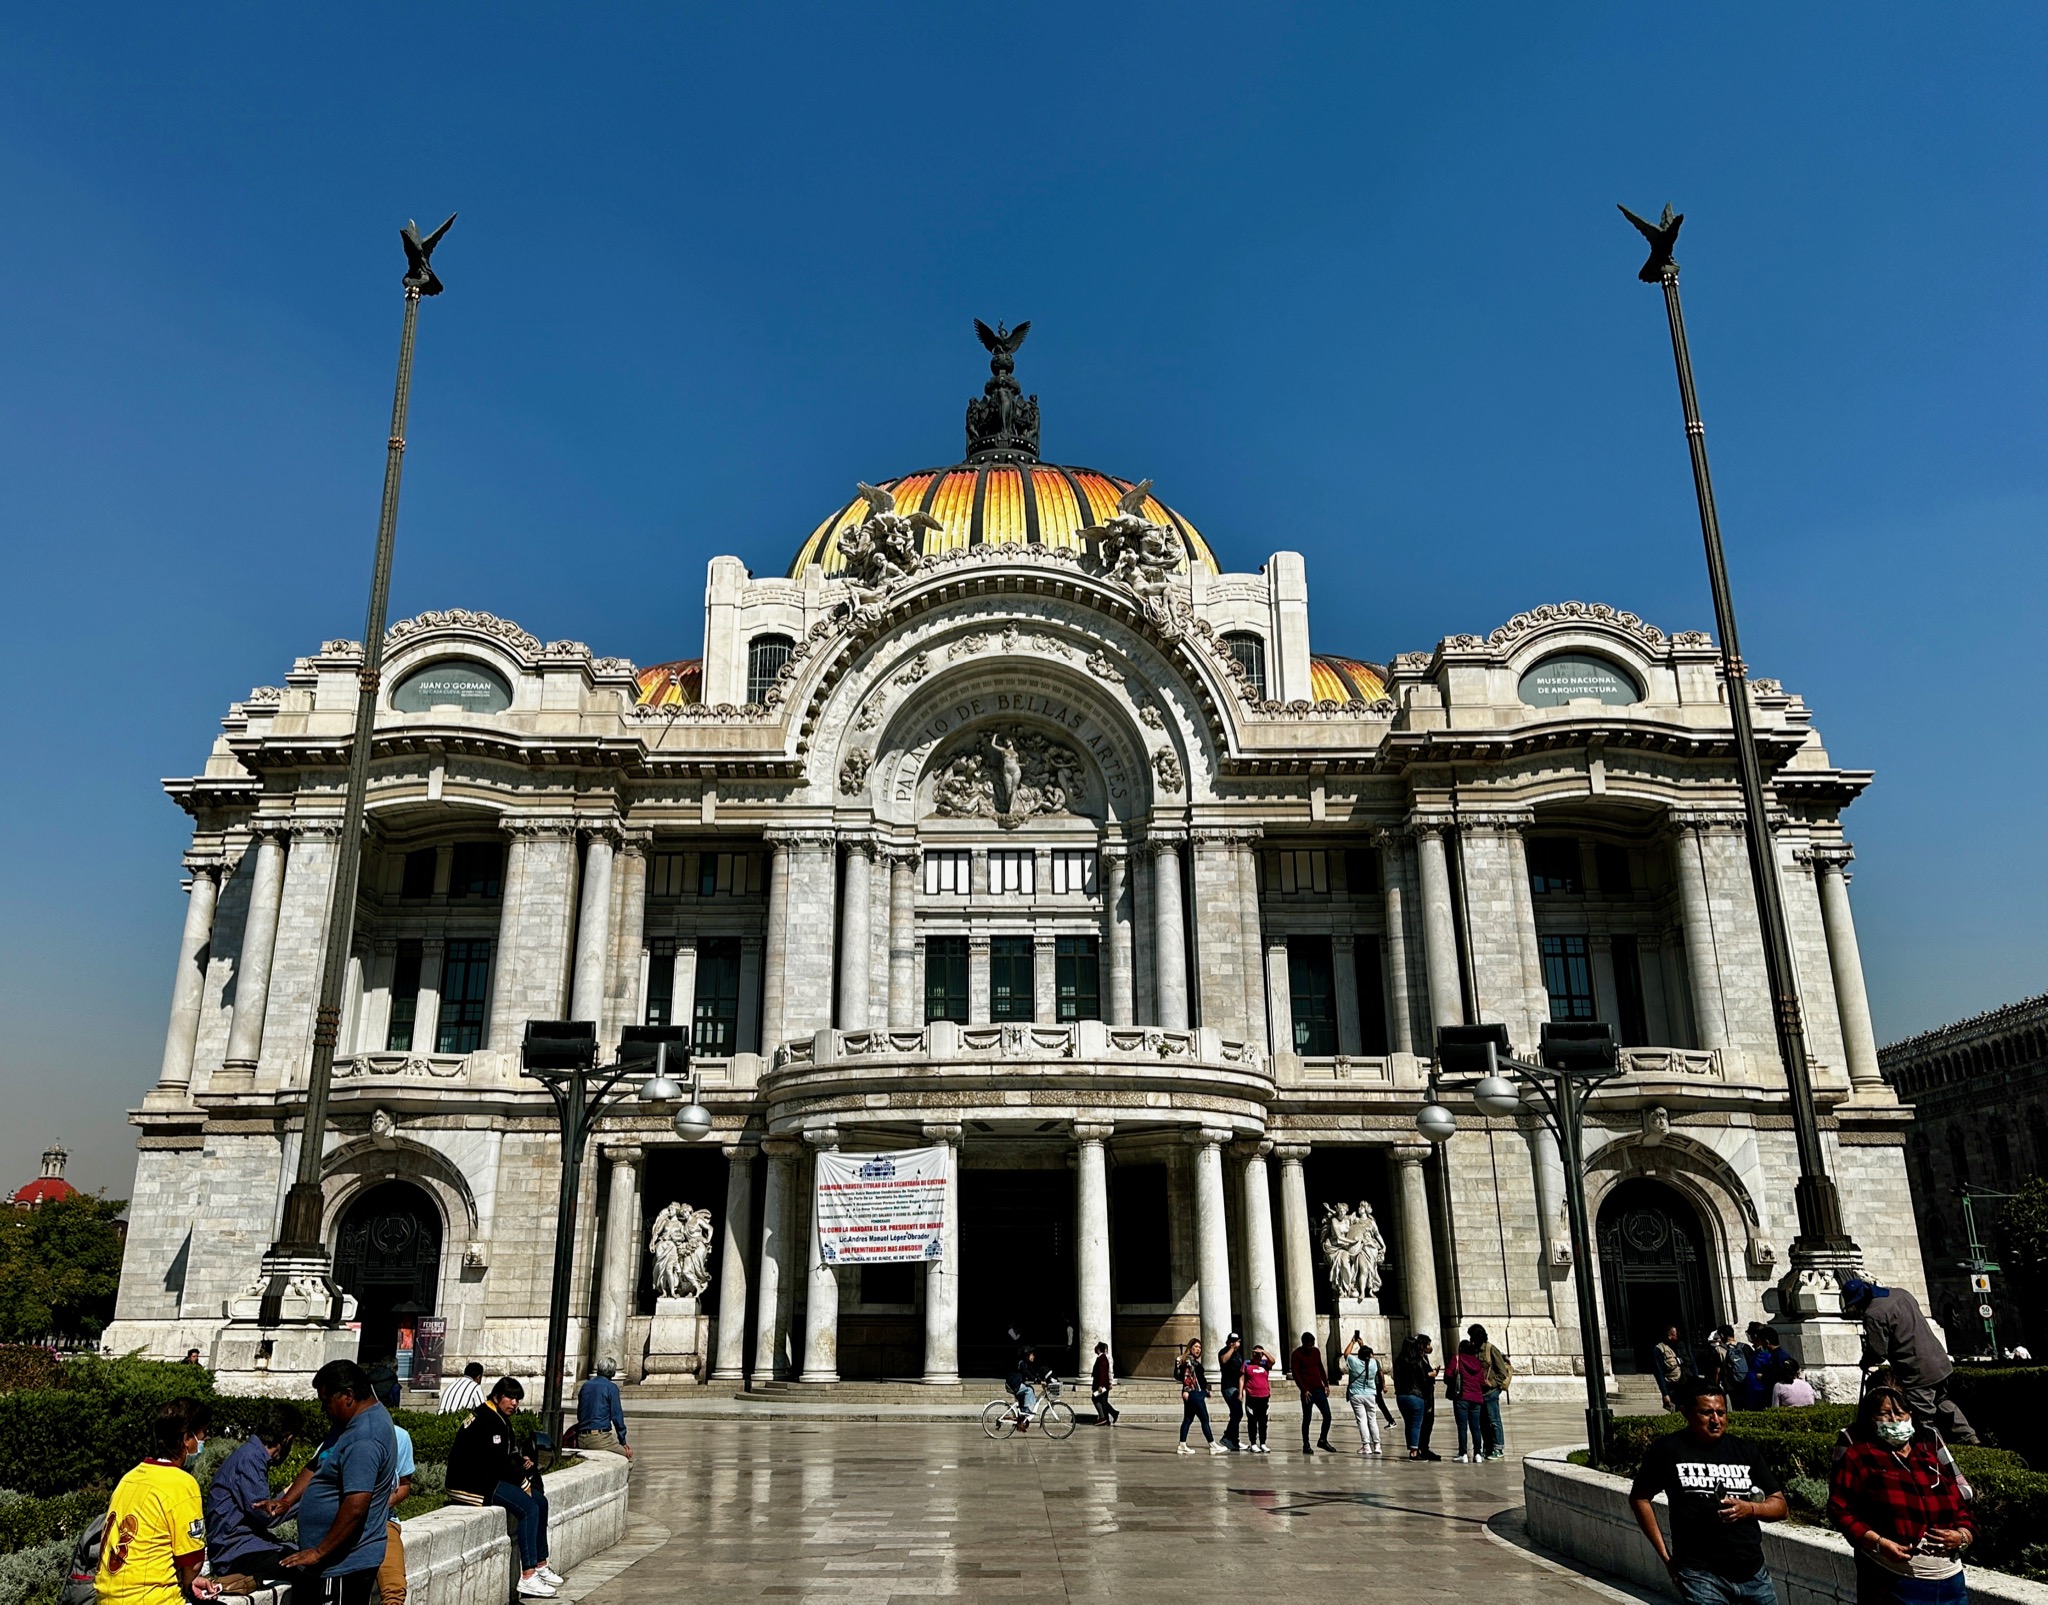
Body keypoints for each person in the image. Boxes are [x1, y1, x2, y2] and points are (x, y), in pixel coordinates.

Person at [1628, 1384, 1788, 1605]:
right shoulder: (1668, 1450)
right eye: (1706, 1413)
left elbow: (1780, 1507)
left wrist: (1749, 1509)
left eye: (1721, 1413)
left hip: (1753, 1573)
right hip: (1701, 1575)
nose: (1716, 1420)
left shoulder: (1744, 1450)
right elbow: (1639, 1498)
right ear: (1686, 1413)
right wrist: (1667, 1559)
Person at [260, 1360, 397, 1605]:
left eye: (326, 1402)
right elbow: (317, 1463)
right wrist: (286, 1502)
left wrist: (319, 1552)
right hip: (327, 1564)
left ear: (348, 1396)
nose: (323, 1409)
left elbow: (356, 1506)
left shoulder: (364, 1438)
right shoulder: (346, 1424)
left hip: (343, 1566)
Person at [1828, 1384, 1975, 1605]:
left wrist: (1963, 1535)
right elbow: (1839, 1509)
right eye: (1884, 1414)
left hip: (1950, 1583)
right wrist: (1878, 1543)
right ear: (1871, 1420)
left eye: (1900, 1413)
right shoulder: (1860, 1456)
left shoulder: (1926, 1456)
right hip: (1896, 1582)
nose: (1894, 1420)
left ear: (1910, 1416)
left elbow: (1961, 1506)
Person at [96, 1397, 221, 1605]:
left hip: (108, 1597)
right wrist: (189, 1580)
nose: (205, 1440)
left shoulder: (130, 1477)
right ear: (187, 1439)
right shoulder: (181, 1484)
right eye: (203, 1434)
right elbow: (193, 1561)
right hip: (151, 1598)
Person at [447, 1377, 560, 1599]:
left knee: (540, 1501)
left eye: (517, 1399)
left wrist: (522, 1463)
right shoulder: (489, 1420)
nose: (514, 1403)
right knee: (529, 1508)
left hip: (487, 1477)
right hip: (470, 1484)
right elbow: (497, 1463)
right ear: (497, 1397)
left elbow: (505, 1456)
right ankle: (527, 1577)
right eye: (510, 1397)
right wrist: (522, 1480)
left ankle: (540, 1564)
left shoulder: (499, 1417)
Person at [1842, 1276, 1978, 1446]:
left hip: (1917, 1371)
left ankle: (1935, 1451)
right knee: (1942, 1401)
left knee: (1923, 1418)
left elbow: (1878, 1352)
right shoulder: (1901, 1294)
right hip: (1940, 1362)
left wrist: (1866, 1361)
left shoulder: (1874, 1314)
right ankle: (1969, 1437)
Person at [205, 1405, 298, 1583]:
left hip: (242, 1546)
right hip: (234, 1553)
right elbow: (266, 1515)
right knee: (300, 1566)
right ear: (287, 1439)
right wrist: (302, 1498)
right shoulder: (250, 1459)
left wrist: (290, 1493)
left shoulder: (250, 1455)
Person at [367, 1369, 415, 1605]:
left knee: (394, 1591)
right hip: (345, 1522)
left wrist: (385, 1503)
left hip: (383, 1522)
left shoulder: (401, 1437)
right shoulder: (343, 1435)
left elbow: (405, 1485)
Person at [1393, 1334, 1441, 1461]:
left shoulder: (1398, 1360)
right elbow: (1423, 1381)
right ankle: (1415, 1451)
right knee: (1416, 1425)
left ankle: (1414, 1448)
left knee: (1409, 1424)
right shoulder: (1416, 1361)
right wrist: (1429, 1402)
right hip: (1416, 1396)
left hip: (1401, 1396)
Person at [1342, 1335, 1391, 1456]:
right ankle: (1377, 1445)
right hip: (1371, 1394)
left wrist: (1353, 1342)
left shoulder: (1354, 1362)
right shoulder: (1374, 1363)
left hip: (1356, 1395)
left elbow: (1346, 1354)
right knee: (1372, 1420)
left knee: (1362, 1421)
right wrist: (1362, 1344)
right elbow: (1370, 1356)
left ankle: (1366, 1446)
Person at [574, 1358, 632, 1459]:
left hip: (581, 1438)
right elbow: (617, 1417)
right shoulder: (611, 1388)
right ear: (612, 1373)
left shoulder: (585, 1385)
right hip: (600, 1439)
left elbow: (580, 1413)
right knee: (628, 1459)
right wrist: (623, 1441)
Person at [1470, 1323, 1512, 1461]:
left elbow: (1502, 1372)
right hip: (1478, 1392)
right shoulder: (1473, 1350)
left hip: (1491, 1391)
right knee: (1482, 1422)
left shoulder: (1491, 1349)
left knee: (1494, 1420)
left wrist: (1492, 1382)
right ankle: (1487, 1447)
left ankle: (1498, 1447)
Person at [1174, 1340, 1222, 1455]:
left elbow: (1197, 1378)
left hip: (1196, 1392)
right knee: (1204, 1419)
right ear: (1190, 1348)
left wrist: (1205, 1390)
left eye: (1199, 1347)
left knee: (1188, 1419)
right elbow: (1187, 1376)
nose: (1198, 1349)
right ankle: (1212, 1445)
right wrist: (1186, 1390)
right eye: (1195, 1347)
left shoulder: (1192, 1361)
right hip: (1194, 1393)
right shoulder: (1189, 1361)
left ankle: (1182, 1445)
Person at [1291, 1331, 1334, 1455]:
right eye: (1309, 1344)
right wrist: (1303, 1390)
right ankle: (1306, 1444)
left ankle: (1323, 1439)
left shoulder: (1315, 1352)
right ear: (1304, 1343)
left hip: (1318, 1389)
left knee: (1327, 1415)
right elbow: (1295, 1373)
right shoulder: (1297, 1354)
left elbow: (1320, 1367)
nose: (1311, 1346)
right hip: (1307, 1391)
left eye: (1312, 1344)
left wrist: (1326, 1384)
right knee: (1307, 1418)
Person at [1450, 1338, 1488, 1463]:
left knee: (1462, 1427)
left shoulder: (1457, 1359)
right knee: (1475, 1427)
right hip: (1476, 1398)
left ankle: (1463, 1454)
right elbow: (1482, 1382)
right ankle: (1478, 1453)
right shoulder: (1478, 1363)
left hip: (1462, 1397)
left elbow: (1448, 1375)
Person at [1242, 1344, 1275, 1453]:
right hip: (1252, 1396)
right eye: (1255, 1353)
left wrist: (1263, 1352)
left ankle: (1263, 1443)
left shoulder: (1265, 1364)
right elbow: (1242, 1378)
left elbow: (1273, 1361)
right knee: (1252, 1421)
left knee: (1263, 1421)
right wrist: (1241, 1392)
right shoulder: (1247, 1364)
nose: (1257, 1355)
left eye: (1259, 1353)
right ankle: (1253, 1443)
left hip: (1264, 1396)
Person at [1006, 1348, 1049, 1430]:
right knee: (1029, 1389)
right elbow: (1026, 1373)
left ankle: (1022, 1416)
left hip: (1016, 1384)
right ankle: (1026, 1409)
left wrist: (1040, 1380)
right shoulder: (1021, 1363)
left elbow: (1033, 1372)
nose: (1033, 1356)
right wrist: (1037, 1380)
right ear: (1027, 1355)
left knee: (1029, 1389)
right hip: (1013, 1384)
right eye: (1031, 1355)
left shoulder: (1026, 1364)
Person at [1655, 1325, 1693, 1412]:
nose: (1678, 1336)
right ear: (1670, 1335)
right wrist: (1665, 1393)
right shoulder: (1660, 1349)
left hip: (1687, 1383)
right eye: (1676, 1334)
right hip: (1673, 1386)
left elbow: (1692, 1363)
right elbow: (1659, 1372)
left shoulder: (1682, 1345)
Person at [1217, 1334, 1245, 1453]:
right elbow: (1223, 1360)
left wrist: (1241, 1390)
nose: (1236, 1344)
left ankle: (1233, 1439)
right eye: (1233, 1342)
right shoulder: (1224, 1351)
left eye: (1237, 1341)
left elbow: (1241, 1372)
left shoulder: (1238, 1355)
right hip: (1228, 1387)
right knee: (1237, 1412)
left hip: (1236, 1387)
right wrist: (1232, 1349)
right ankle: (1227, 1437)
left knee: (1236, 1413)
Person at [1089, 1342, 1119, 1427]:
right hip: (1103, 1385)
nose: (1095, 1348)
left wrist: (1101, 1386)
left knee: (1097, 1399)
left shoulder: (1102, 1358)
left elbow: (1103, 1373)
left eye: (1096, 1347)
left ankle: (1104, 1418)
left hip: (1102, 1386)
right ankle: (1108, 1417)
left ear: (1098, 1349)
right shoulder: (1101, 1357)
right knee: (1102, 1401)